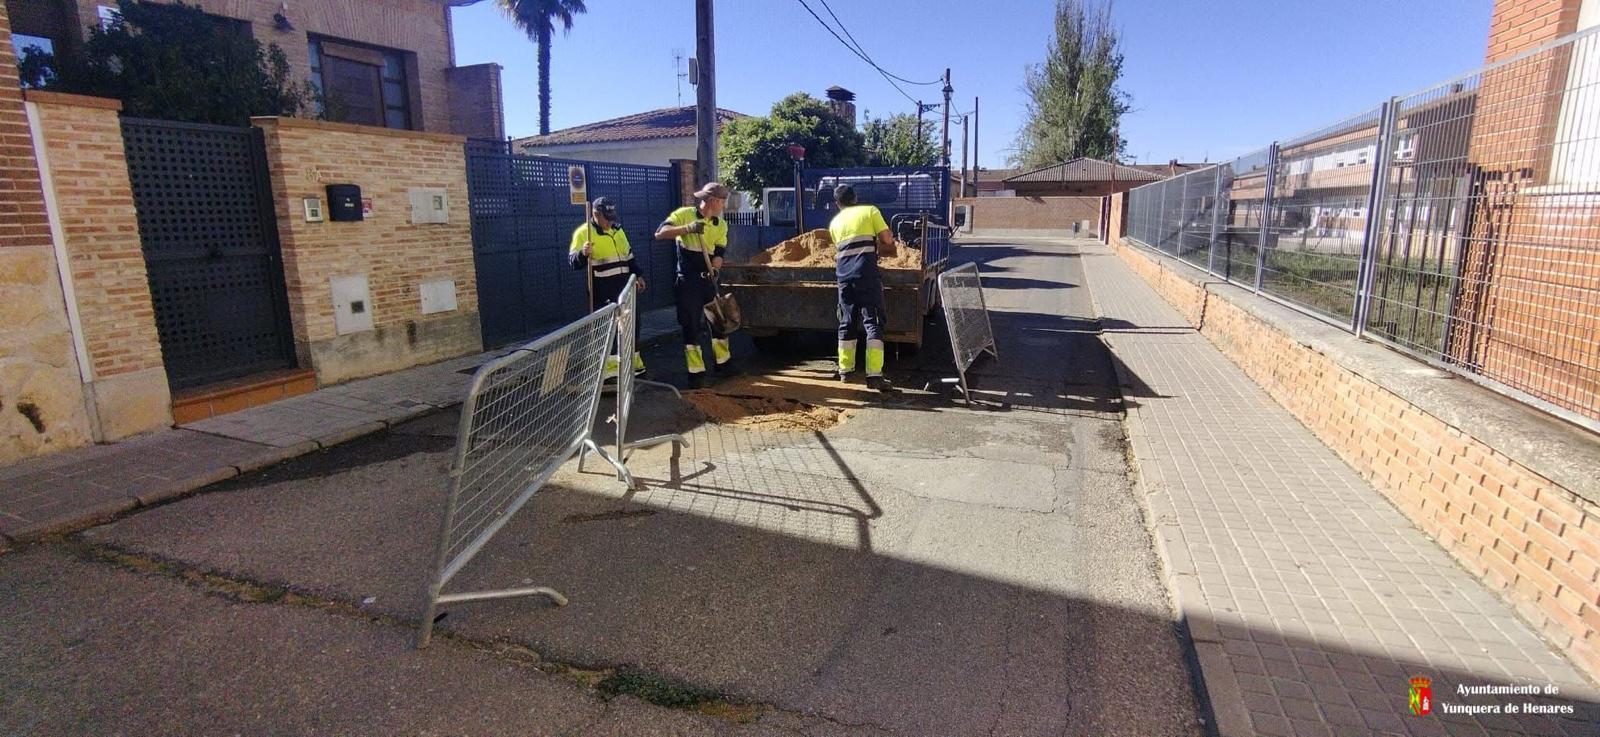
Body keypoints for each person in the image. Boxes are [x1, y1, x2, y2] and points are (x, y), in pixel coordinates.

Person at [655, 181, 733, 388]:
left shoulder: (720, 224)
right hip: (688, 281)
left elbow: (719, 253)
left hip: (708, 280)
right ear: (713, 201)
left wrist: (715, 269)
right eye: (722, 202)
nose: (724, 206)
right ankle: (696, 372)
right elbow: (660, 233)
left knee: (718, 322)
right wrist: (688, 228)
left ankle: (723, 364)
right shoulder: (684, 215)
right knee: (691, 325)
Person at [570, 196, 645, 380]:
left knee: (632, 326)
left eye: (612, 217)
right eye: (607, 218)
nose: (610, 222)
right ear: (596, 214)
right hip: (603, 292)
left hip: (625, 289)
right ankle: (611, 374)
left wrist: (638, 274)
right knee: (608, 332)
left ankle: (634, 366)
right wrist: (582, 254)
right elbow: (573, 262)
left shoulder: (617, 230)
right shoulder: (584, 233)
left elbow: (629, 256)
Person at [828, 183, 894, 392]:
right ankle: (874, 376)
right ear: (855, 198)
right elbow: (887, 239)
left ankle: (846, 371)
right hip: (866, 275)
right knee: (873, 322)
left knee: (846, 321)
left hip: (843, 277)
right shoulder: (870, 211)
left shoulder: (834, 223)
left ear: (837, 203)